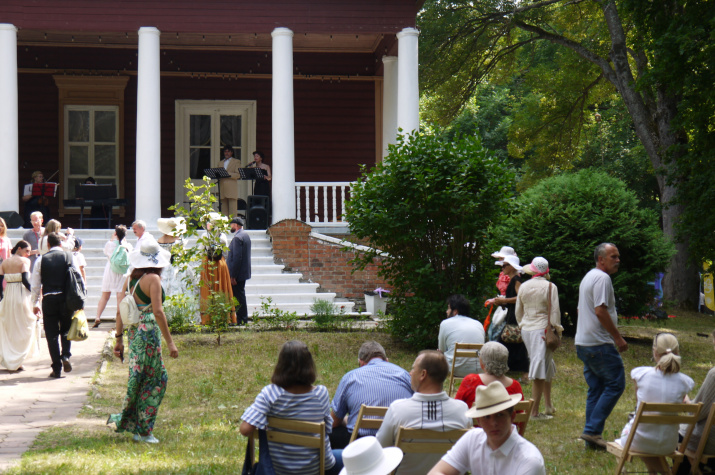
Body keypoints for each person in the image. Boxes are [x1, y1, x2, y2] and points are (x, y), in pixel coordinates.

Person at [108, 239, 179, 444]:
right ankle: (144, 430)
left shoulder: (130, 279)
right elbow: (158, 311)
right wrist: (171, 343)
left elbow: (121, 310)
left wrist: (119, 340)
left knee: (139, 379)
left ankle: (137, 427)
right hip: (148, 331)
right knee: (156, 379)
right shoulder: (154, 280)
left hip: (134, 332)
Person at [240, 340, 344, 474]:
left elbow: (245, 429)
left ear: (281, 365)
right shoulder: (321, 394)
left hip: (277, 470)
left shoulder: (270, 393)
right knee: (347, 456)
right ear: (310, 365)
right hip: (314, 469)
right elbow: (327, 430)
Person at [376, 350, 472, 474]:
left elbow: (380, 450)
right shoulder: (462, 410)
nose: (410, 373)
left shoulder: (397, 410)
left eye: (413, 369)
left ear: (423, 374)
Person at [614, 333, 693, 473]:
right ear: (677, 352)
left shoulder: (640, 374)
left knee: (624, 439)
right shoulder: (685, 382)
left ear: (655, 351)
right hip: (668, 444)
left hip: (638, 440)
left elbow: (638, 403)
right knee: (652, 438)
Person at [428, 382, 546, 475]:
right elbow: (436, 472)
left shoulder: (529, 460)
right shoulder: (472, 439)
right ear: (478, 421)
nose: (493, 423)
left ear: (512, 417)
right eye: (486, 417)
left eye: (500, 415)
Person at [576, 242, 627, 449]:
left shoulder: (588, 277)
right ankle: (591, 431)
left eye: (618, 256)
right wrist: (617, 337)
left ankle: (592, 439)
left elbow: (581, 311)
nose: (617, 260)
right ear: (601, 259)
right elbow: (600, 311)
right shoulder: (602, 278)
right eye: (613, 257)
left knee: (596, 388)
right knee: (616, 383)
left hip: (583, 343)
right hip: (599, 344)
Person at [330, 340, 413, 449]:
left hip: (359, 443)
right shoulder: (405, 375)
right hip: (397, 444)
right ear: (386, 361)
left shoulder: (350, 377)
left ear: (361, 362)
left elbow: (334, 422)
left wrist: (348, 420)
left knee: (327, 434)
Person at [515, 256, 562, 420]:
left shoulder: (524, 286)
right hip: (542, 330)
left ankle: (548, 405)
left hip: (527, 329)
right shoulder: (550, 287)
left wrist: (524, 325)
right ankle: (534, 413)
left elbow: (518, 312)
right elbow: (555, 313)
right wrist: (557, 332)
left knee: (545, 364)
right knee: (539, 367)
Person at [30, 232, 75, 378]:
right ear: (61, 243)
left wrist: (35, 302)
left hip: (49, 298)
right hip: (66, 298)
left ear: (48, 244)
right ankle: (66, 355)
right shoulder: (69, 257)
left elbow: (35, 284)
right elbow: (77, 279)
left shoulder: (41, 260)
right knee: (66, 329)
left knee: (51, 334)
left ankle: (56, 367)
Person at [454, 341, 524, 432]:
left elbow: (457, 408)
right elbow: (520, 419)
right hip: (505, 435)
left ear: (482, 362)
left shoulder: (471, 381)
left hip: (475, 434)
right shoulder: (515, 386)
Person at [677, 329, 715, 474]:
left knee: (677, 433)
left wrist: (686, 401)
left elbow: (698, 413)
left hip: (710, 442)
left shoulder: (714, 374)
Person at [0, 240, 40, 372]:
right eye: (26, 251)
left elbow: (0, 281)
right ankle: (18, 359)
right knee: (24, 325)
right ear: (19, 249)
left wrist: (2, 297)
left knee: (10, 326)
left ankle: (10, 357)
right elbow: (25, 279)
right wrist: (34, 293)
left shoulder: (4, 262)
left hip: (8, 296)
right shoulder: (25, 262)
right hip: (21, 294)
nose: (28, 254)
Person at [492, 255, 530, 379]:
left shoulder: (516, 280)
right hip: (512, 313)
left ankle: (502, 367)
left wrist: (505, 300)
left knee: (508, 339)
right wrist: (502, 302)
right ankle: (520, 369)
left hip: (515, 315)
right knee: (515, 341)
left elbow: (520, 298)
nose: (502, 267)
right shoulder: (513, 279)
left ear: (512, 267)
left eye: (505, 265)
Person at [199, 213, 236, 325]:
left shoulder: (205, 235)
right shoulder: (222, 236)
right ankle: (224, 316)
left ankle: (208, 318)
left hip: (208, 263)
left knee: (208, 288)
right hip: (220, 263)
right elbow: (226, 252)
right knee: (221, 287)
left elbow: (201, 251)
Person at [94, 225, 133, 328]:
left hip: (110, 270)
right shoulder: (127, 246)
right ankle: (119, 319)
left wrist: (112, 239)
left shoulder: (110, 244)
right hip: (122, 272)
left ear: (115, 233)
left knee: (105, 295)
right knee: (120, 296)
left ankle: (98, 316)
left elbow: (106, 253)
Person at [438, 295, 485, 378]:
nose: (447, 311)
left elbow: (441, 349)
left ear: (455, 311)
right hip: (478, 369)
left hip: (454, 369)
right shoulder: (478, 324)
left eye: (448, 308)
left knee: (438, 353)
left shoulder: (445, 323)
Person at [227, 217, 251, 325]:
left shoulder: (237, 238)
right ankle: (243, 319)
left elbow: (237, 258)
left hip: (238, 274)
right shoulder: (245, 235)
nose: (231, 227)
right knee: (240, 295)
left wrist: (233, 276)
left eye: (231, 224)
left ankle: (241, 319)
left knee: (238, 297)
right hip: (243, 272)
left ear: (236, 225)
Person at [156, 217, 188, 296]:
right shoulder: (178, 240)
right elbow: (183, 252)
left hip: (163, 264)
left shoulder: (160, 239)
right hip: (176, 263)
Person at [218, 144, 243, 218]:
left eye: (228, 151)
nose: (226, 153)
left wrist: (227, 173)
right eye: (225, 151)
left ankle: (233, 227)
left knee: (233, 212)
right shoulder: (220, 163)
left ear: (232, 152)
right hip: (223, 188)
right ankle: (225, 227)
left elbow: (238, 175)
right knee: (223, 212)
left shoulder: (236, 162)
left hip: (231, 189)